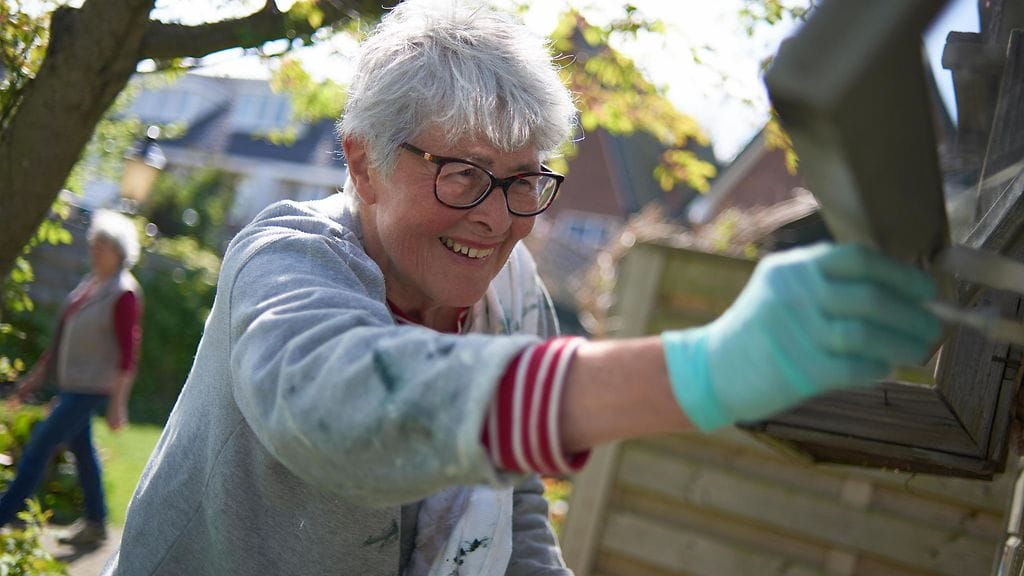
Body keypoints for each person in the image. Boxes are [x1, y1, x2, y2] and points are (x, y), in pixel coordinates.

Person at [106, 2, 941, 574]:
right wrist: (700, 371)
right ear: (363, 161)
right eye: (464, 173)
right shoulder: (288, 257)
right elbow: (338, 411)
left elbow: (513, 507)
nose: (495, 220)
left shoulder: (513, 287)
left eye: (522, 180)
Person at [0, 209, 143, 546]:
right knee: (83, 454)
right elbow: (60, 342)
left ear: (120, 250)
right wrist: (34, 380)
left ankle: (5, 515)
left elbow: (128, 354)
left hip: (91, 388)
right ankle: (96, 524)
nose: (94, 250)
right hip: (72, 383)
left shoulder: (124, 292)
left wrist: (118, 404)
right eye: (94, 243)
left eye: (102, 245)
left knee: (38, 448)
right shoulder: (90, 285)